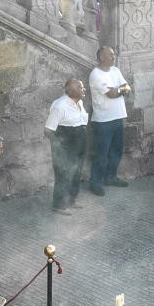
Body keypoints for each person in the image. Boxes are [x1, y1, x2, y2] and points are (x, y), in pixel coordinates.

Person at [88, 46, 130, 195]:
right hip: (103, 120)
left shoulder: (115, 71)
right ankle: (96, 183)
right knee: (101, 153)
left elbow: (127, 88)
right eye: (111, 55)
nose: (114, 57)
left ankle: (111, 177)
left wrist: (118, 90)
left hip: (117, 117)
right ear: (102, 57)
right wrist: (120, 91)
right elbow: (111, 94)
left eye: (113, 55)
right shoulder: (96, 74)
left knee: (117, 150)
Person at [45, 78, 88, 215]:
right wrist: (60, 146)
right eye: (81, 88)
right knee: (63, 173)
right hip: (66, 140)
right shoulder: (60, 105)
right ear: (74, 91)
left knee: (76, 170)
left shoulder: (79, 102)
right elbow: (48, 130)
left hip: (80, 137)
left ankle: (71, 200)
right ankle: (59, 205)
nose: (84, 90)